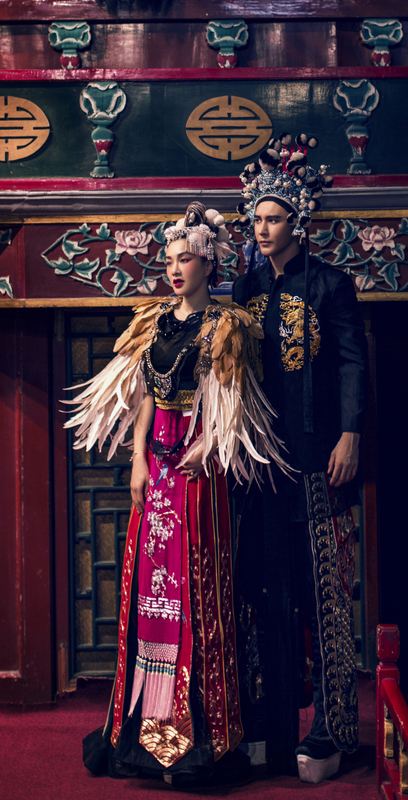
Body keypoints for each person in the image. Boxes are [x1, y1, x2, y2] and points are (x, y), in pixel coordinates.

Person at [64, 202, 289, 787]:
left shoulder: (225, 327)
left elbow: (230, 406)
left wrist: (206, 444)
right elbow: (145, 398)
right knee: (149, 594)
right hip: (156, 473)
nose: (174, 268)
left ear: (208, 264)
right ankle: (143, 729)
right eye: (170, 259)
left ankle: (199, 737)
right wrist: (137, 457)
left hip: (198, 475)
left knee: (196, 593)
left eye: (185, 258)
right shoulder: (155, 322)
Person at [232, 133, 367, 783]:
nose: (262, 229)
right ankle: (270, 720)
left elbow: (351, 363)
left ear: (298, 222)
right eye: (256, 218)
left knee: (325, 597)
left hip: (318, 459)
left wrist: (350, 434)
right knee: (264, 590)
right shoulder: (244, 287)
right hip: (261, 463)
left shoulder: (331, 285)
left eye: (274, 218)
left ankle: (333, 726)